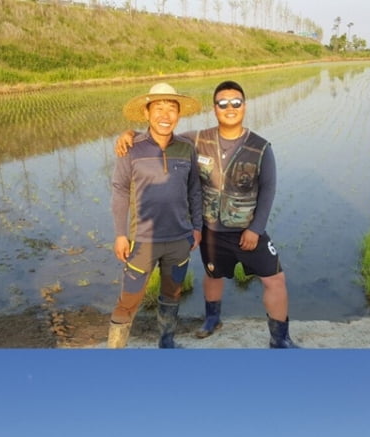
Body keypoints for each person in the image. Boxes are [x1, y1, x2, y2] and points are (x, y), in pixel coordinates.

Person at [116, 80, 297, 348]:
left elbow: (269, 190)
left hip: (247, 230)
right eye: (222, 103)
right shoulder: (197, 139)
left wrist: (256, 229)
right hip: (212, 231)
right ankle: (213, 319)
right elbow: (163, 135)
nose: (229, 108)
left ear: (244, 106)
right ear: (215, 109)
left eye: (236, 102)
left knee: (275, 279)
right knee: (213, 275)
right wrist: (129, 134)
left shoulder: (260, 147)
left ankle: (280, 339)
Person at [109, 82, 203, 349]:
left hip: (179, 240)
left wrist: (196, 228)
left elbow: (195, 190)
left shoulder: (186, 147)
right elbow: (119, 191)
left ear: (179, 114)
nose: (165, 115)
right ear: (147, 113)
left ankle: (167, 343)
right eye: (158, 108)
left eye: (171, 108)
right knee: (129, 300)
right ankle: (114, 352)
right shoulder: (131, 148)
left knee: (172, 295)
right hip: (142, 241)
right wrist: (120, 235)